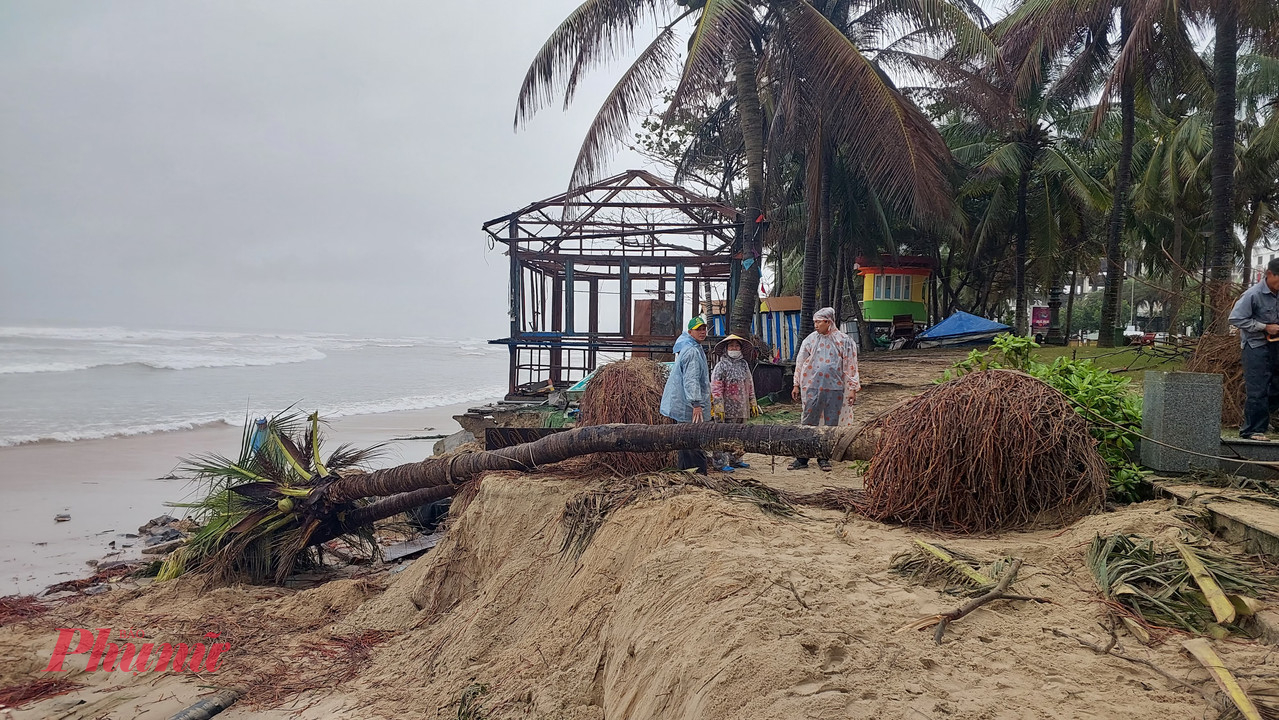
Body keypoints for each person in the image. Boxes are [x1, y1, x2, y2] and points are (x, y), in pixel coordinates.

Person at [790, 307, 860, 471]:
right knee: (809, 421)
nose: (815, 325)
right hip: (812, 387)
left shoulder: (844, 341)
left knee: (830, 424)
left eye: (818, 322)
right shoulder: (810, 340)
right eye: (814, 321)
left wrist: (852, 389)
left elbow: (851, 365)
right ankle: (802, 457)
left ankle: (824, 457)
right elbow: (800, 362)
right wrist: (796, 384)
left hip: (835, 388)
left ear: (828, 322)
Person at [1228, 257, 1279, 440]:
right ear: (1269, 274)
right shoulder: (1253, 294)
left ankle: (1265, 420)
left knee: (1275, 387)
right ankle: (1252, 430)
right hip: (1255, 347)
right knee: (1257, 389)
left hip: (1275, 346)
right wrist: (1264, 327)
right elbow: (1235, 319)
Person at [660, 316, 711, 473]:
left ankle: (685, 474)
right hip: (688, 406)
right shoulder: (692, 351)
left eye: (704, 329)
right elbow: (691, 379)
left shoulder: (690, 347)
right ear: (690, 332)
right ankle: (698, 476)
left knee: (684, 441)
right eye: (698, 329)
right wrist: (696, 403)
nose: (702, 332)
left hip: (683, 403)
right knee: (692, 442)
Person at [710, 334, 759, 472]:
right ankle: (720, 463)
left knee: (739, 434)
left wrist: (752, 402)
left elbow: (749, 384)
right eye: (731, 346)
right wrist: (719, 406)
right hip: (725, 408)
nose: (734, 348)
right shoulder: (721, 366)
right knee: (723, 435)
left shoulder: (744, 365)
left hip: (741, 407)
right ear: (726, 349)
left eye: (737, 346)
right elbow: (716, 387)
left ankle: (737, 459)